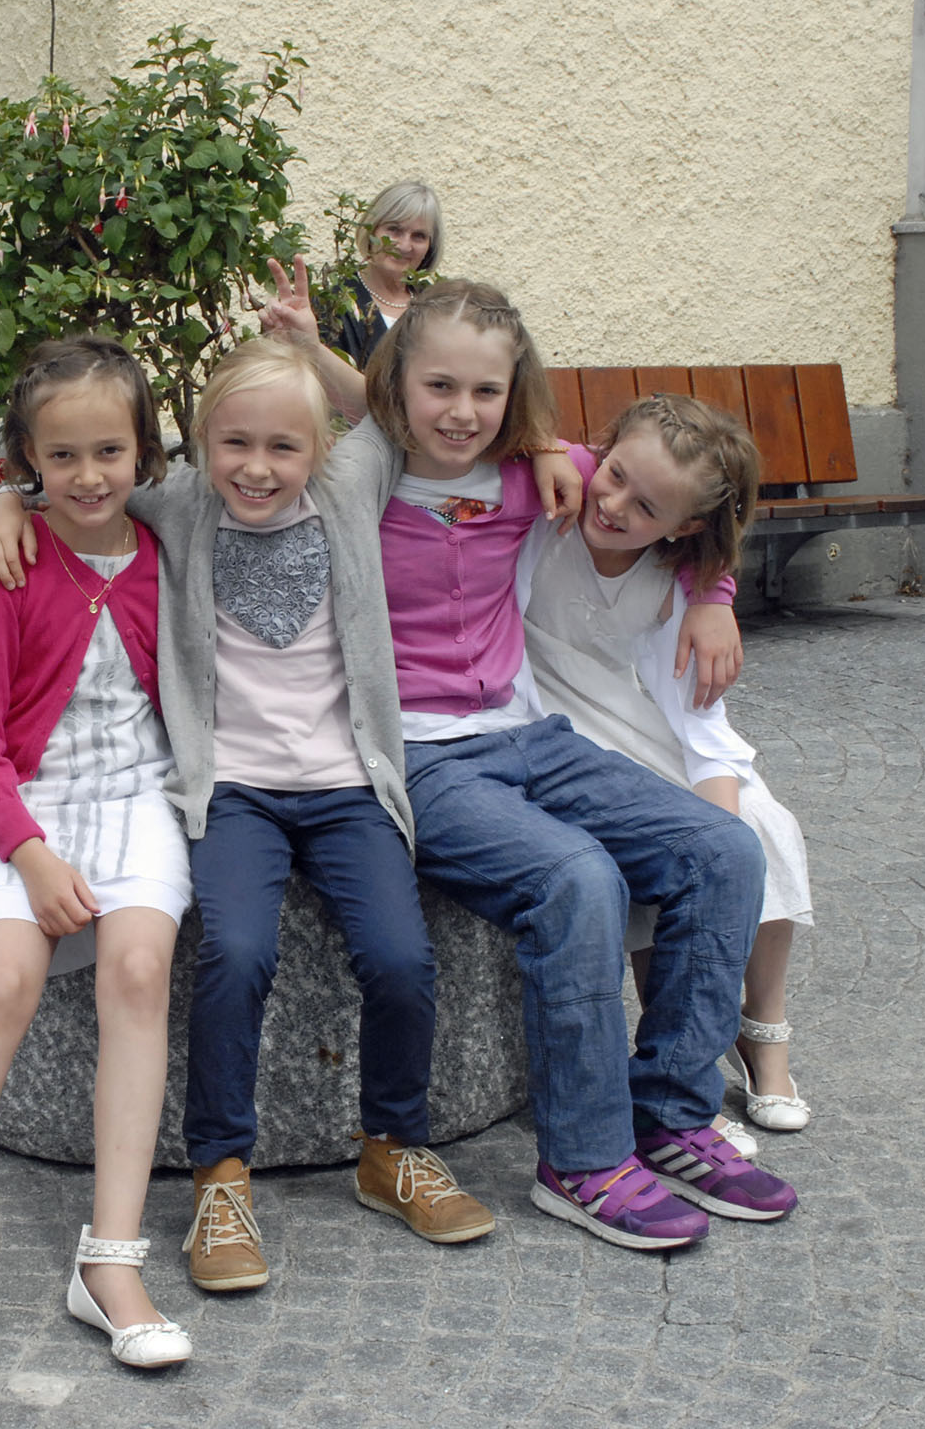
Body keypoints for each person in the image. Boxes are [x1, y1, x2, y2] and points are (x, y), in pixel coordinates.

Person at [0, 339, 514, 1296]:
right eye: (235, 444)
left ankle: (393, 1148)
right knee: (236, 953)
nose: (257, 468)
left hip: (346, 789)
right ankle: (221, 1174)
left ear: (321, 449)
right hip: (233, 793)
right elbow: (79, 481)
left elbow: (404, 411)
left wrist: (310, 347)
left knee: (400, 956)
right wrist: (3, 501)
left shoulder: (347, 490)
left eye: (283, 447)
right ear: (198, 444)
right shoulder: (179, 502)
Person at [322, 278, 798, 1250]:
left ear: (515, 394)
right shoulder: (356, 478)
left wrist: (713, 595)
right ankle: (581, 1161)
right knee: (577, 878)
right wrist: (16, 503)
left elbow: (688, 507)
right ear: (398, 381)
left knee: (725, 850)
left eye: (484, 392)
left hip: (530, 735)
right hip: (417, 757)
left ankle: (668, 1116)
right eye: (438, 387)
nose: (461, 411)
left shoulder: (534, 473)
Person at [0, 336, 193, 1377]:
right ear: (25, 460)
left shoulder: (165, 546)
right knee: (3, 978)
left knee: (138, 968)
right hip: (23, 800)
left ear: (144, 452)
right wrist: (30, 856)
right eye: (60, 457)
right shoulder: (1, 562)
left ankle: (109, 1264)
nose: (89, 476)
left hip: (139, 796)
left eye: (110, 451)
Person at [518, 393, 816, 1137]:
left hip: (634, 723)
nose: (614, 504)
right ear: (600, 452)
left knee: (761, 826)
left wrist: (722, 832)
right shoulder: (557, 498)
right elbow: (468, 431)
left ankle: (762, 1031)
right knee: (659, 852)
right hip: (544, 720)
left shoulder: (671, 580)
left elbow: (698, 720)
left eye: (646, 506)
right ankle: (686, 1053)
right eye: (614, 475)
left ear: (683, 527)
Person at [261, 180, 445, 423]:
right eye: (394, 230)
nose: (404, 245)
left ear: (430, 246)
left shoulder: (441, 308)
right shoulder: (329, 304)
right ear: (371, 231)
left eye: (419, 236)